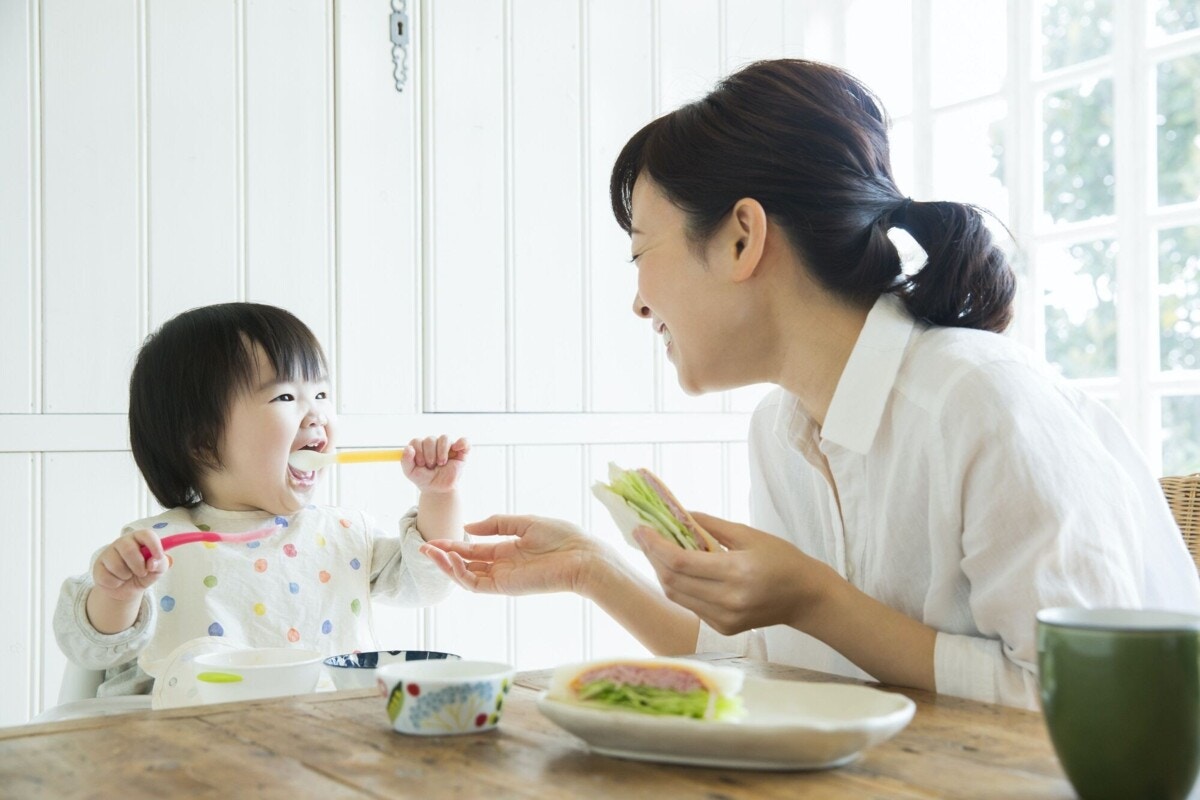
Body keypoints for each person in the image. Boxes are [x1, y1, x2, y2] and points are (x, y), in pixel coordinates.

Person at [420, 58, 1200, 709]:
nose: (637, 301)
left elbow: (1089, 706)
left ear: (740, 237)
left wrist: (815, 599)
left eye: (640, 254)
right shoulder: (782, 432)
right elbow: (767, 666)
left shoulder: (984, 402)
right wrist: (590, 569)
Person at [55, 302, 468, 699]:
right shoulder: (157, 548)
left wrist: (438, 494)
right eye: (285, 398)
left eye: (322, 394)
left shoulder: (342, 535)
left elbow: (429, 581)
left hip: (319, 741)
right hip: (188, 746)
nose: (316, 415)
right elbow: (89, 648)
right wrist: (119, 594)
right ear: (202, 442)